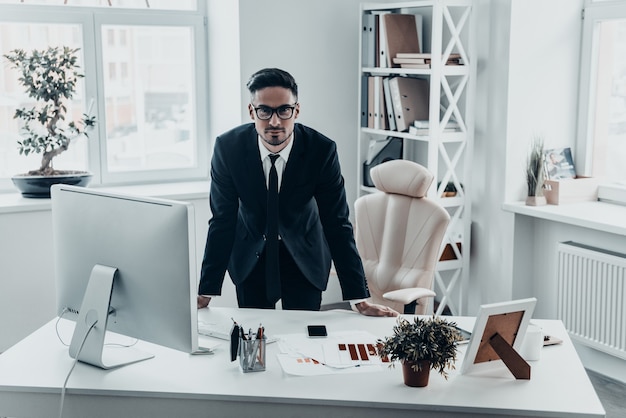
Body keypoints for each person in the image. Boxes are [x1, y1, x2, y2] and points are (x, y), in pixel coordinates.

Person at [197, 68, 397, 317]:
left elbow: (337, 224)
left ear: (296, 110)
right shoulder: (228, 148)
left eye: (283, 110)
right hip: (251, 256)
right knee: (255, 335)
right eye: (264, 111)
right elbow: (222, 220)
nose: (274, 121)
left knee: (304, 337)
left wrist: (360, 298)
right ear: (252, 111)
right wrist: (206, 289)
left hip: (305, 255)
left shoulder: (321, 151)